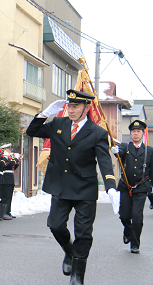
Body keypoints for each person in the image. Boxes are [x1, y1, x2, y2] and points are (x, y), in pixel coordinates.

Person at [26, 89, 118, 285]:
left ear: (87, 107)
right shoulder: (59, 123)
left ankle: (78, 275)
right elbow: (31, 131)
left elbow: (104, 161)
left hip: (85, 189)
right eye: (69, 105)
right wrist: (45, 114)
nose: (71, 109)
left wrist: (110, 186)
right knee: (55, 225)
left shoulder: (98, 133)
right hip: (60, 186)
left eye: (76, 106)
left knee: (83, 233)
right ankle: (69, 251)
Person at [111, 119, 153, 253]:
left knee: (137, 217)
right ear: (131, 134)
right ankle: (127, 229)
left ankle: (135, 244)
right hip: (126, 186)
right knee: (124, 216)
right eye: (133, 131)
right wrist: (115, 151)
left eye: (138, 131)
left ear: (142, 134)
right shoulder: (125, 147)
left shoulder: (149, 151)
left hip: (141, 187)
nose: (136, 134)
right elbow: (119, 153)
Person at [0, 147, 20, 220]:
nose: (10, 151)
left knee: (9, 196)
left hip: (10, 178)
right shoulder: (3, 157)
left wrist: (17, 161)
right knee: (5, 196)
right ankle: (3, 213)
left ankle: (7, 211)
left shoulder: (9, 157)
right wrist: (15, 160)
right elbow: (7, 164)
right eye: (8, 150)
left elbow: (14, 166)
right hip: (5, 178)